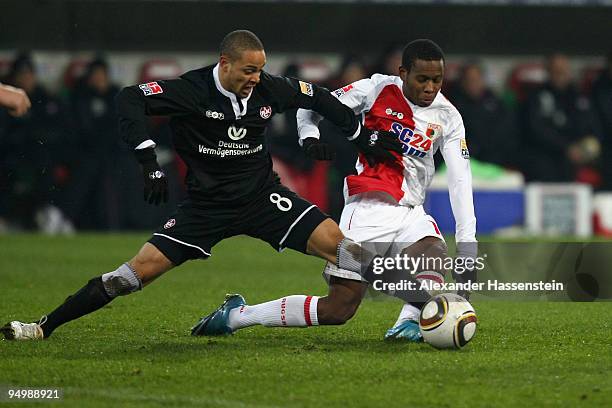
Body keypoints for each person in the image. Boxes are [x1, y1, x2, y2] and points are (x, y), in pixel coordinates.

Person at [1, 30, 407, 341]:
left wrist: (361, 134)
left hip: (263, 197)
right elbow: (129, 98)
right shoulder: (189, 90)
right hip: (205, 208)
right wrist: (148, 162)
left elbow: (317, 97)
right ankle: (41, 327)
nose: (255, 78)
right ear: (225, 63)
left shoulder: (267, 88)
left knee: (349, 253)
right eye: (248, 70)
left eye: (259, 70)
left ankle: (422, 307)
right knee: (130, 276)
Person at [192, 39, 477, 342]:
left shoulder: (449, 116)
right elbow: (312, 105)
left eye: (437, 80)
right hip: (368, 208)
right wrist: (309, 136)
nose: (430, 87)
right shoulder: (376, 89)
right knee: (337, 310)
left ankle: (410, 322)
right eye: (422, 79)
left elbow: (460, 181)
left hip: (411, 210)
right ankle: (238, 315)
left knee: (433, 250)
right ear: (403, 73)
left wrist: (467, 243)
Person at [522, 54, 602, 182]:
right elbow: (536, 129)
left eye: (564, 70)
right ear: (548, 72)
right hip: (547, 153)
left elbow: (591, 126)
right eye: (556, 70)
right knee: (541, 164)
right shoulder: (537, 96)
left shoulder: (579, 96)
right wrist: (565, 147)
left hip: (577, 153)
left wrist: (584, 147)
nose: (560, 74)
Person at [449, 62, 517, 167]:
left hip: (493, 156)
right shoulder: (452, 104)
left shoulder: (495, 101)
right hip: (462, 156)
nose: (473, 84)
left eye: (476, 79)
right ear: (462, 82)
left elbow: (506, 130)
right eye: (469, 80)